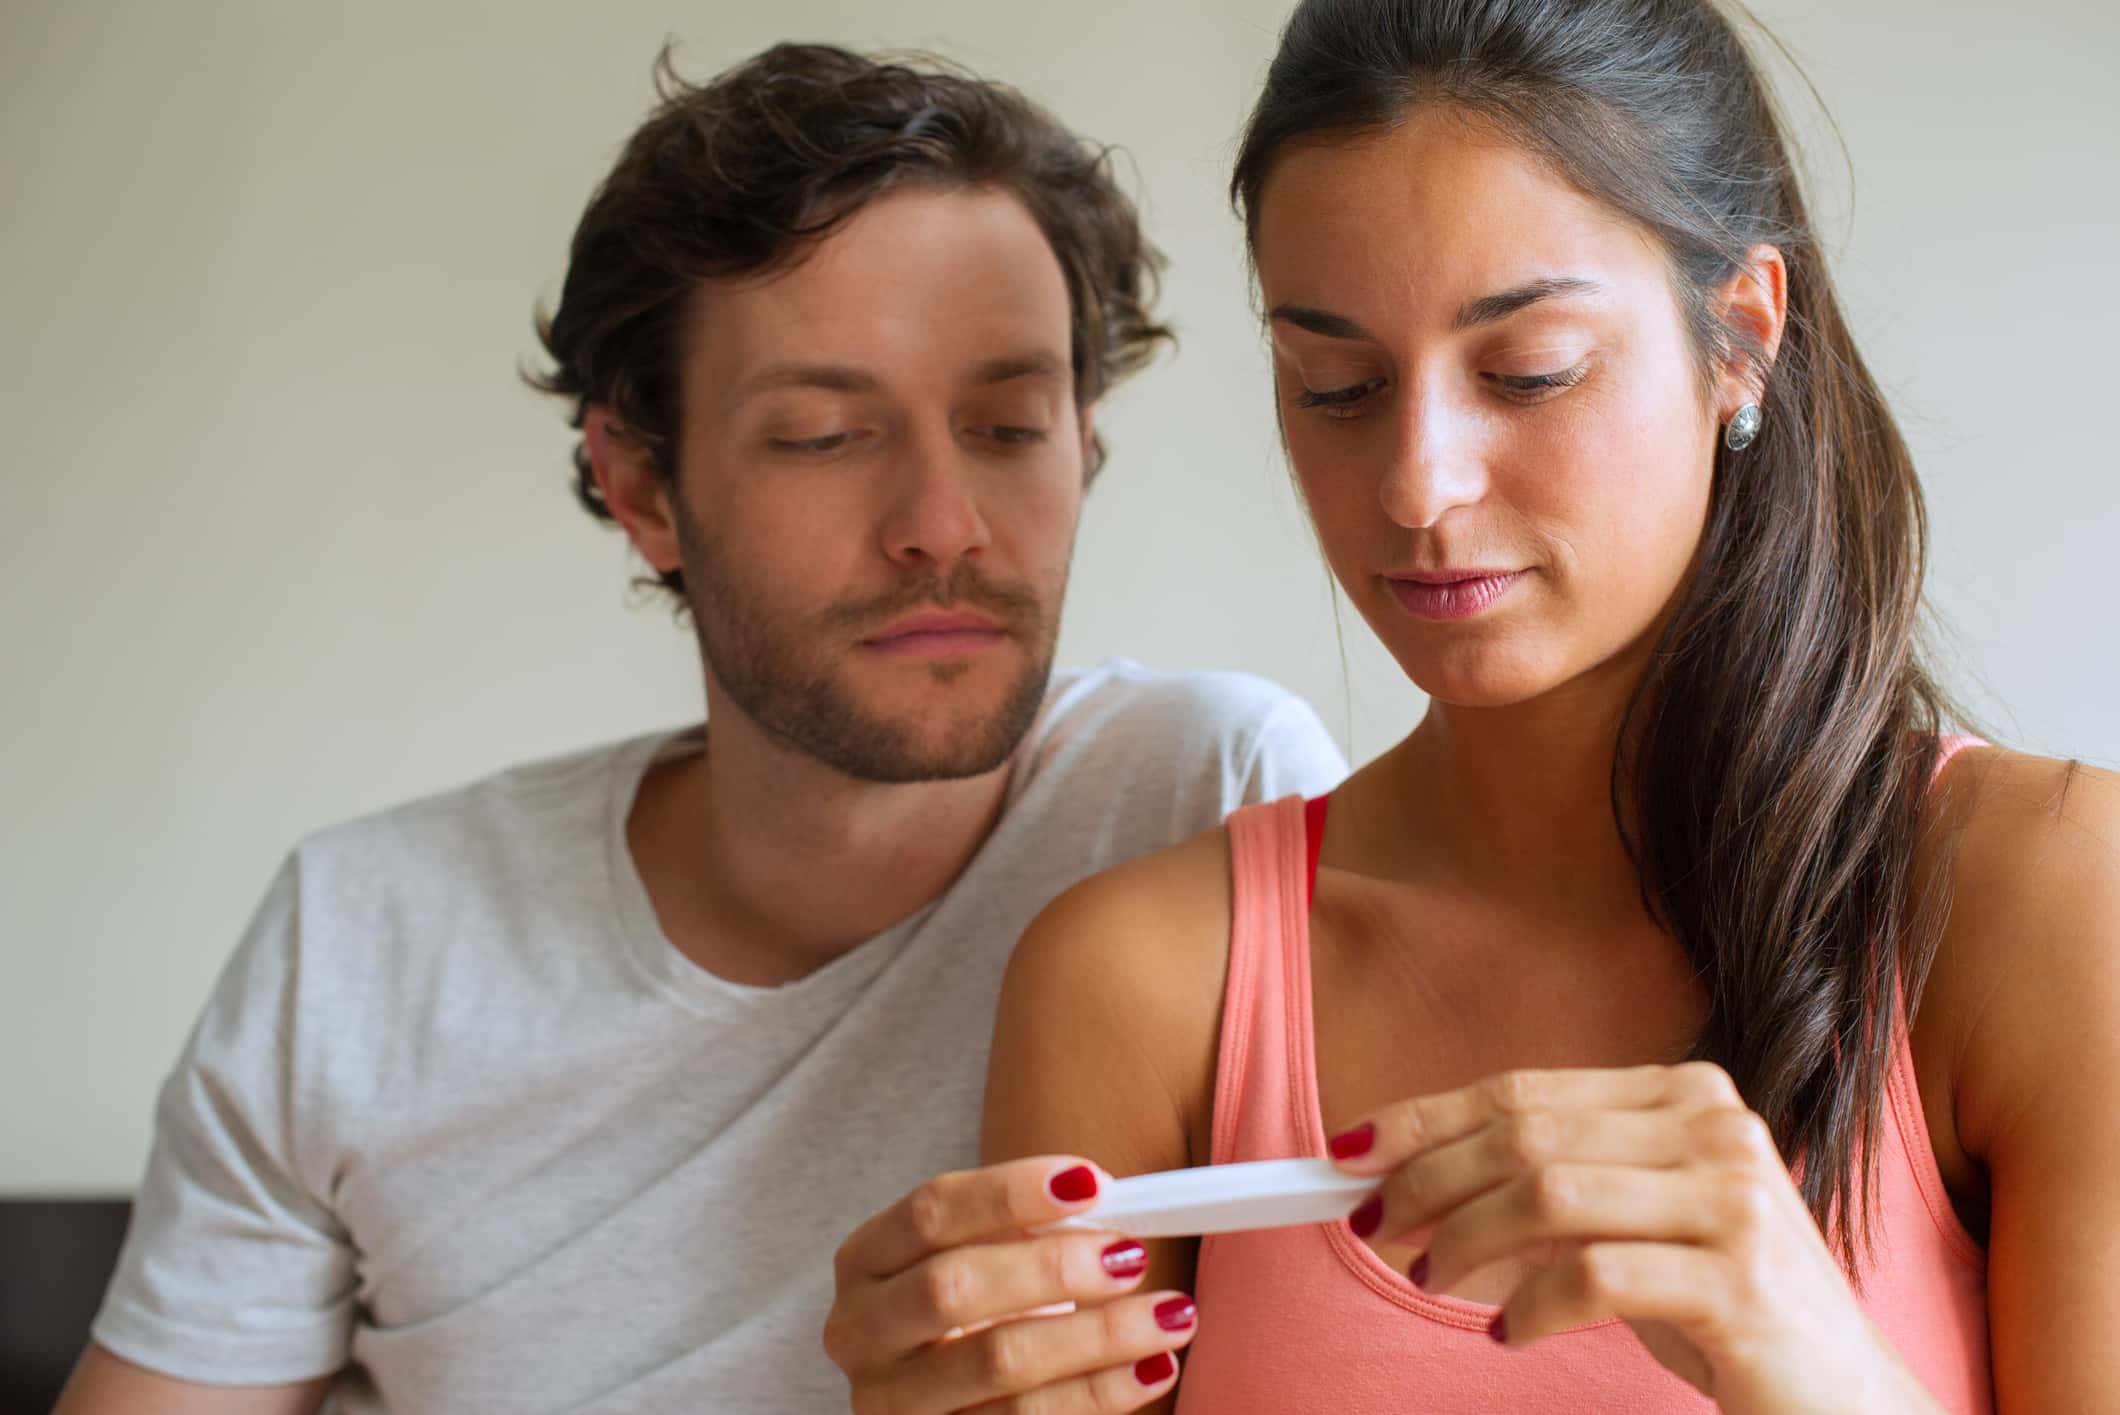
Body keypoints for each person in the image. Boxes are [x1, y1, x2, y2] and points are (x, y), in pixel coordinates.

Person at [54, 42, 1347, 1415]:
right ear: (644, 485)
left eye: (1009, 425)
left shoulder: (1219, 800)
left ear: (1081, 440)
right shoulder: (366, 942)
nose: (941, 526)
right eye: (821, 436)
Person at [978, 0, 2120, 1411]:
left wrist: (1807, 1358)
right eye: (1333, 387)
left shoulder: (2044, 901)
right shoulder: (1143, 985)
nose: (1418, 486)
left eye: (1529, 372)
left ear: (1742, 338)